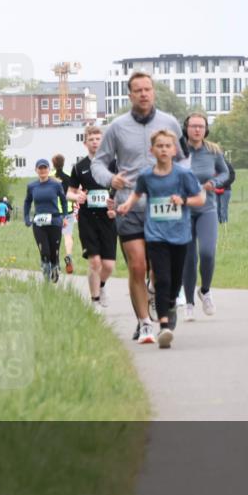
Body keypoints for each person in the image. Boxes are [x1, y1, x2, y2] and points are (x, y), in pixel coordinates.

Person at [90, 72, 185, 343]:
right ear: (130, 95)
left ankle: (158, 295)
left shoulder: (169, 122)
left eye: (147, 89)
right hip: (129, 205)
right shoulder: (117, 127)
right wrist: (112, 178)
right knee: (137, 265)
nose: (143, 94)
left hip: (164, 206)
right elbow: (99, 163)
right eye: (138, 90)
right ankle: (144, 324)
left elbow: (186, 160)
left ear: (153, 92)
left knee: (160, 268)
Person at [117, 130, 205, 348]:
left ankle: (171, 304)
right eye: (160, 146)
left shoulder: (183, 175)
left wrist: (183, 200)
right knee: (162, 278)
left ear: (174, 150)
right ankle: (164, 327)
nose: (164, 149)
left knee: (175, 281)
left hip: (180, 235)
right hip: (155, 235)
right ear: (152, 150)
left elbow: (200, 198)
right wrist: (127, 205)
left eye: (168, 146)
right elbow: (137, 193)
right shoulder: (147, 176)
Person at [181, 113, 229, 320]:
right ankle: (189, 302)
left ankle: (205, 290)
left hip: (207, 208)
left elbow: (226, 173)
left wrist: (215, 183)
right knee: (189, 259)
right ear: (186, 128)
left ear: (206, 129)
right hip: (183, 210)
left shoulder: (213, 151)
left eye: (201, 126)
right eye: (193, 126)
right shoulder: (178, 150)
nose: (197, 130)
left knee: (208, 253)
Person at [67, 125, 118, 308]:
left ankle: (101, 286)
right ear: (85, 143)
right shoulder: (79, 167)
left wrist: (116, 205)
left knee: (109, 265)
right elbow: (69, 193)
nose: (95, 142)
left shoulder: (112, 163)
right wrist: (77, 196)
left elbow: (121, 188)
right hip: (88, 218)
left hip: (108, 218)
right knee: (95, 261)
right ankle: (94, 300)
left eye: (98, 139)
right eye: (91, 139)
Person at [23, 158, 68, 282]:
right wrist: (26, 217)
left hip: (54, 221)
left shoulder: (56, 185)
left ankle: (55, 266)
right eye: (40, 168)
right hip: (39, 223)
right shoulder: (32, 186)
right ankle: (46, 274)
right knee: (44, 251)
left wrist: (64, 217)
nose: (42, 170)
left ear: (49, 169)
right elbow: (27, 202)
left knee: (54, 251)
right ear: (36, 170)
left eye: (45, 168)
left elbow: (64, 201)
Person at [52, 154, 77, 274]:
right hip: (68, 212)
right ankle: (68, 255)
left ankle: (55, 262)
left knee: (55, 238)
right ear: (63, 163)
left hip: (54, 212)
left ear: (53, 163)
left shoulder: (50, 177)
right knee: (68, 235)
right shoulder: (69, 177)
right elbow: (73, 194)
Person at [215, 158, 235, 224]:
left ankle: (224, 224)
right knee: (216, 208)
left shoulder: (227, 164)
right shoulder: (214, 164)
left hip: (226, 190)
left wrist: (223, 184)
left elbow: (232, 177)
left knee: (223, 208)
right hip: (215, 189)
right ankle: (218, 223)